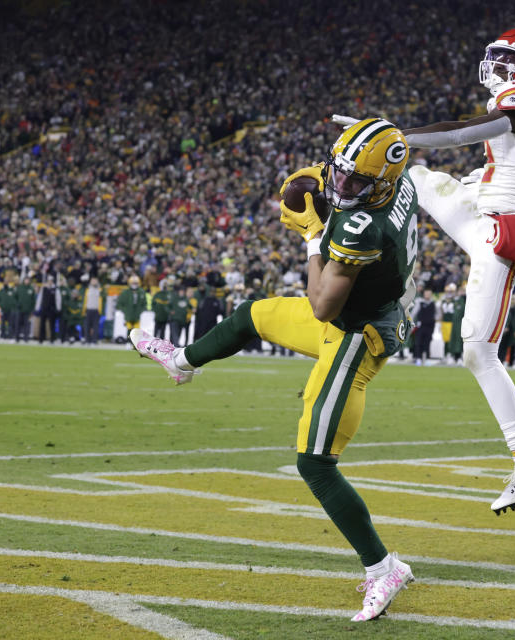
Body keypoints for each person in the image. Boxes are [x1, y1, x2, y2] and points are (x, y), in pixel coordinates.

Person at [130, 119, 417, 621]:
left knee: (314, 463)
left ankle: (383, 567)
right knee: (252, 315)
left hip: (354, 337)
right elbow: (376, 159)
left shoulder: (361, 226)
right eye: (340, 173)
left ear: (381, 183)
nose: (339, 186)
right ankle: (180, 362)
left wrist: (311, 235)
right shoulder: (399, 181)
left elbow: (322, 304)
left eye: (354, 182)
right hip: (365, 310)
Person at [336, 28, 515, 514]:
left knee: (479, 353)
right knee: (408, 175)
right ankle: (376, 255)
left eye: (505, 57)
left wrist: (399, 135)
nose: (494, 64)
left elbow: (462, 131)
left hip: (500, 230)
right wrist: (377, 143)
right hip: (482, 213)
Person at [117, 275, 146, 340]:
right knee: (129, 329)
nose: (134, 285)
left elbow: (144, 304)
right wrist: (125, 311)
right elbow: (120, 303)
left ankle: (136, 343)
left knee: (136, 330)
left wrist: (140, 311)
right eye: (133, 283)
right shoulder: (125, 292)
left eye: (136, 283)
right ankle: (128, 341)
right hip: (128, 314)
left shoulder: (141, 292)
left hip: (137, 314)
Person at [411, 288, 436, 365]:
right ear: (424, 294)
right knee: (418, 343)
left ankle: (427, 359)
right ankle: (418, 358)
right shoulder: (419, 302)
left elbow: (437, 314)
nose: (427, 295)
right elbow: (413, 313)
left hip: (429, 326)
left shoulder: (433, 303)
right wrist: (411, 322)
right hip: (420, 326)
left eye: (429, 293)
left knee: (427, 343)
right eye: (426, 293)